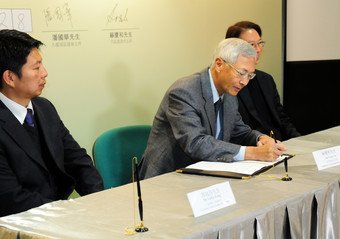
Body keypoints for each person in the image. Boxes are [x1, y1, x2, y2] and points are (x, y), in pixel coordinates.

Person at [139, 38, 287, 179]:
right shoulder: (184, 92)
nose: (244, 82)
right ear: (219, 64)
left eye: (250, 75)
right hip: (167, 177)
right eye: (241, 73)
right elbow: (196, 143)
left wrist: (260, 138)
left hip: (204, 173)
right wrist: (253, 153)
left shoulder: (229, 93)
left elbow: (239, 131)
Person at [0, 29, 104, 217]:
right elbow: (11, 198)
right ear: (10, 78)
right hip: (20, 222)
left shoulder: (44, 108)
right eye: (36, 67)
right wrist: (69, 211)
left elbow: (77, 160)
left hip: (59, 212)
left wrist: (100, 200)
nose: (45, 73)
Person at [225, 21, 301, 141]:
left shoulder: (266, 79)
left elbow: (282, 119)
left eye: (260, 43)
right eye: (252, 45)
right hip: (252, 148)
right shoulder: (227, 83)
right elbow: (234, 131)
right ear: (232, 48)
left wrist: (299, 141)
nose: (258, 49)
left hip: (279, 145)